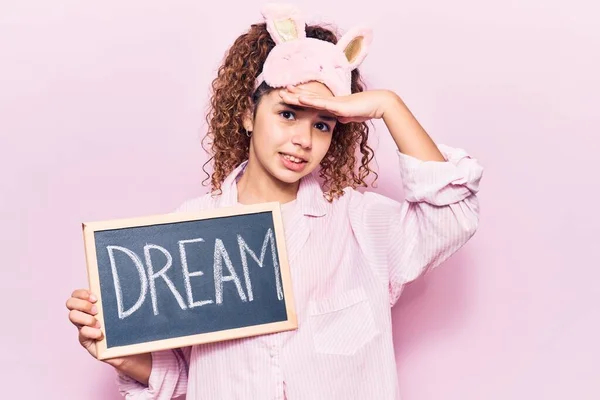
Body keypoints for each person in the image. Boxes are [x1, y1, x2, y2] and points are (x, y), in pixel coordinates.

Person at [65, 3, 483, 399]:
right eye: (287, 114)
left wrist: (389, 106)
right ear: (248, 115)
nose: (303, 140)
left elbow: (451, 215)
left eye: (322, 124)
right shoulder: (190, 229)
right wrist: (120, 350)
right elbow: (194, 377)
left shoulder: (359, 221)